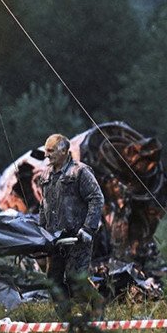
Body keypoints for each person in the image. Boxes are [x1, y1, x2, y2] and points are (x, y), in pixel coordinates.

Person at [37, 133, 104, 318]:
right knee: (53, 280)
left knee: (76, 279)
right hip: (54, 238)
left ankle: (97, 307)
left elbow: (96, 198)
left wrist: (88, 228)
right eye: (46, 150)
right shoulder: (46, 174)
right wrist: (40, 231)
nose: (46, 155)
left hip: (78, 237)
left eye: (51, 151)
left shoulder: (80, 172)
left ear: (64, 151)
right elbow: (43, 205)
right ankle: (66, 319)